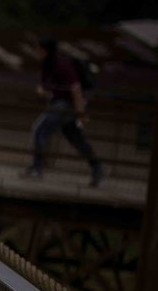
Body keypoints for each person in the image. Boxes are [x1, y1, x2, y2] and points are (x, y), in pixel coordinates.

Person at [22, 36, 104, 187]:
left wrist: (81, 112)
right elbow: (52, 89)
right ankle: (97, 168)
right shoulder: (48, 65)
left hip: (65, 106)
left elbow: (75, 88)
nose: (36, 52)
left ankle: (37, 168)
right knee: (75, 138)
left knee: (40, 129)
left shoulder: (61, 64)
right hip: (61, 104)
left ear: (44, 50)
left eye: (38, 49)